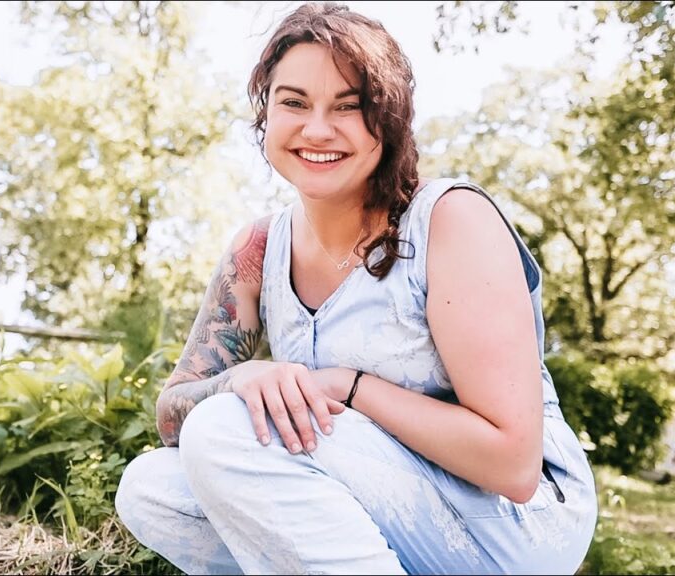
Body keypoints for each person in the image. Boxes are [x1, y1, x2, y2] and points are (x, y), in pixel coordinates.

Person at [115, 2, 597, 574]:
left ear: (387, 121)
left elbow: (513, 467)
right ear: (265, 112)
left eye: (349, 107)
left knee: (226, 432)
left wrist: (348, 385)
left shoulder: (449, 221)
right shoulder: (257, 250)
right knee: (150, 486)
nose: (317, 129)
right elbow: (172, 415)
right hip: (373, 503)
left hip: (515, 526)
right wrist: (241, 377)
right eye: (293, 102)